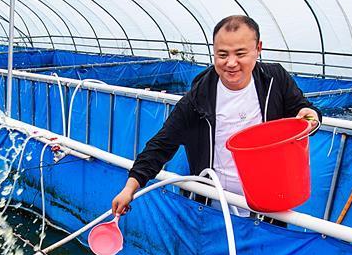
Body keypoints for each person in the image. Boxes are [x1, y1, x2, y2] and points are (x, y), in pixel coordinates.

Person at [111, 15, 320, 215]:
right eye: (222, 54)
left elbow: (305, 112)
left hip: (270, 202)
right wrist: (130, 187)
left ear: (258, 49)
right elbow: (162, 144)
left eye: (240, 54)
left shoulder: (275, 80)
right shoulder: (198, 98)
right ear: (214, 53)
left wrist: (311, 116)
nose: (230, 63)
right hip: (214, 202)